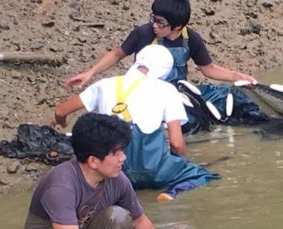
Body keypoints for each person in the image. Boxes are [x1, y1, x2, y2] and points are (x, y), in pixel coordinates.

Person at [16, 113, 172, 229]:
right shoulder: (61, 186)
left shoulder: (118, 180)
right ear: (93, 161)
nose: (123, 158)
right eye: (116, 153)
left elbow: (139, 221)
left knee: (120, 217)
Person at [54, 44, 220, 201]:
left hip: (113, 170)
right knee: (201, 174)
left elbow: (60, 111)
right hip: (154, 169)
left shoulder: (105, 85)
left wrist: (60, 124)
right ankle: (172, 192)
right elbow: (176, 143)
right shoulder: (166, 90)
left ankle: (106, 193)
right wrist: (181, 166)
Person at [63, 0, 265, 129]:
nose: (154, 25)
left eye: (160, 23)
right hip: (147, 95)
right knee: (190, 124)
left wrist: (236, 76)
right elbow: (117, 53)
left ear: (178, 26)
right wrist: (90, 73)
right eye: (154, 19)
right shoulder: (143, 34)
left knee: (229, 97)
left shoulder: (191, 38)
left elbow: (208, 69)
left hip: (178, 92)